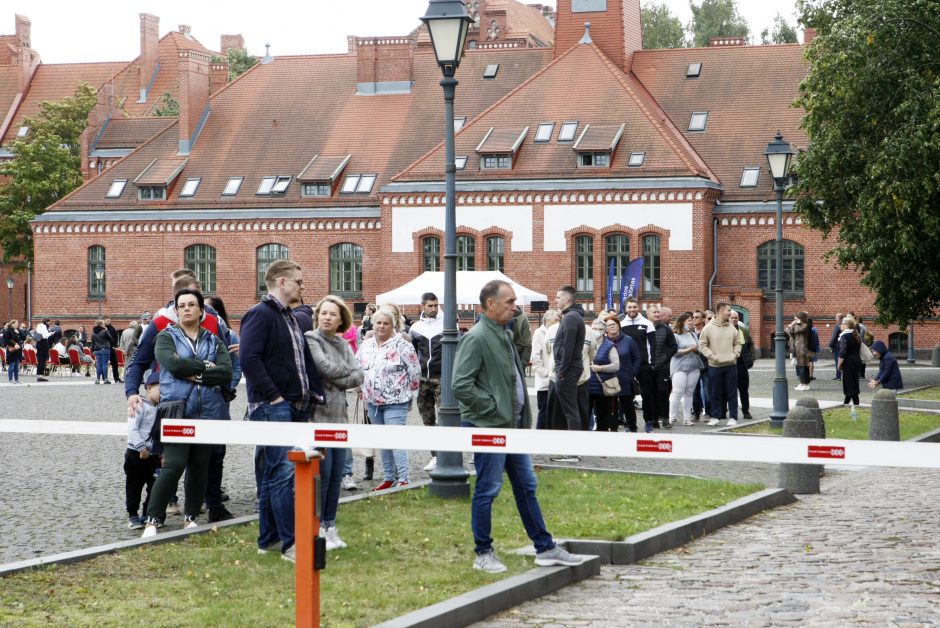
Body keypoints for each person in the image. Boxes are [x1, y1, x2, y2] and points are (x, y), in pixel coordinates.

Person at [452, 279, 584, 574]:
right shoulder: (476, 338)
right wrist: (493, 410)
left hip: (513, 429)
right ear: (490, 304)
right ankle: (483, 552)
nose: (516, 307)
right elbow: (460, 385)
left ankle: (545, 548)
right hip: (491, 428)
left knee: (527, 486)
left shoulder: (504, 334)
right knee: (488, 488)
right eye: (510, 302)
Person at [241, 259, 325, 562]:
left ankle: (269, 539)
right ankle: (291, 544)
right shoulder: (260, 314)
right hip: (273, 406)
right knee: (281, 475)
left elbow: (298, 361)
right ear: (281, 282)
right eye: (298, 281)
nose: (302, 287)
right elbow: (249, 360)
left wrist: (310, 394)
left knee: (272, 475)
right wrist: (275, 397)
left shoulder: (290, 317)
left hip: (294, 405)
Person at [141, 288, 233, 537]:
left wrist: (194, 373)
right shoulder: (166, 337)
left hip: (208, 411)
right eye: (182, 305)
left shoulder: (213, 339)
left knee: (200, 465)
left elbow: (226, 370)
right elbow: (172, 364)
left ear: (201, 310)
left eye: (192, 304)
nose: (187, 309)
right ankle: (152, 518)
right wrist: (205, 367)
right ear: (177, 311)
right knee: (174, 464)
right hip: (177, 410)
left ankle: (190, 516)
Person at [304, 295, 364, 549]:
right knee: (323, 476)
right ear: (317, 316)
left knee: (337, 473)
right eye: (324, 313)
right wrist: (345, 375)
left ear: (341, 320)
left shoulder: (342, 343)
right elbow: (323, 368)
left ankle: (331, 525)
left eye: (333, 314)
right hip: (319, 415)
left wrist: (342, 376)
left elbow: (359, 374)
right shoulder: (311, 338)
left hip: (340, 416)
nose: (327, 317)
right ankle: (316, 526)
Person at [358, 307, 421, 491]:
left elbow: (415, 371)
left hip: (396, 401)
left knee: (395, 439)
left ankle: (403, 477)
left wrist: (409, 393)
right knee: (382, 440)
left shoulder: (402, 345)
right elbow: (358, 366)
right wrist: (359, 387)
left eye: (386, 323)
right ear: (373, 324)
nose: (381, 326)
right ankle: (388, 477)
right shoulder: (367, 345)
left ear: (393, 325)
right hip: (372, 402)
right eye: (378, 323)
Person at [203, 295, 242, 523]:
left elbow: (235, 367)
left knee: (217, 453)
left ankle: (213, 501)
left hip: (218, 401)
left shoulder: (228, 335)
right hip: (196, 402)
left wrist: (227, 388)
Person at [410, 292, 443, 473]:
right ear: (422, 306)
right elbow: (412, 353)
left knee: (445, 416)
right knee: (427, 418)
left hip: (441, 378)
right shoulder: (415, 327)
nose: (433, 309)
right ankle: (435, 455)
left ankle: (444, 454)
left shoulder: (446, 324)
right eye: (430, 306)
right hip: (423, 378)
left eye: (436, 305)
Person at [125, 370, 162, 530]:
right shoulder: (139, 406)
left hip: (154, 455)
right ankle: (133, 515)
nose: (163, 393)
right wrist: (141, 447)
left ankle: (149, 513)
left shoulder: (161, 409)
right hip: (136, 454)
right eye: (160, 389)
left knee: (155, 486)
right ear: (149, 388)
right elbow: (133, 429)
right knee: (134, 485)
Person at [591, 316, 640, 431]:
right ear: (605, 329)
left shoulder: (628, 340)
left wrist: (632, 373)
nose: (612, 326)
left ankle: (632, 428)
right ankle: (613, 429)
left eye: (614, 323)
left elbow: (637, 358)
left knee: (628, 405)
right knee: (611, 407)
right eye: (609, 324)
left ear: (619, 325)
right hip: (609, 379)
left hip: (625, 378)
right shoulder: (602, 342)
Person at [548, 285, 585, 434]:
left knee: (570, 410)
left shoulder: (570, 318)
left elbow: (568, 347)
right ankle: (571, 448)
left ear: (567, 299)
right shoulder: (573, 316)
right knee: (571, 409)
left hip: (567, 370)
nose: (556, 300)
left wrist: (562, 371)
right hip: (570, 368)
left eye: (558, 297)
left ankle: (572, 451)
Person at [699, 303, 742, 427]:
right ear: (721, 311)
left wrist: (735, 354)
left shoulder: (732, 328)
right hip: (714, 365)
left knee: (732, 392)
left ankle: (733, 417)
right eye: (728, 310)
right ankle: (715, 416)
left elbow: (738, 342)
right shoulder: (708, 328)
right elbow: (702, 345)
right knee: (715, 392)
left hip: (731, 364)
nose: (730, 312)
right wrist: (712, 356)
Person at [621, 298, 657, 432]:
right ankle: (631, 424)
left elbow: (653, 345)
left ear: (639, 307)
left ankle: (648, 422)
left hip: (644, 365)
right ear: (625, 309)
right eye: (629, 307)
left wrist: (652, 363)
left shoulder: (647, 324)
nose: (632, 310)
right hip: (626, 366)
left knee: (647, 395)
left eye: (634, 307)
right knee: (627, 396)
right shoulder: (621, 324)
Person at [670, 313, 703, 427]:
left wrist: (696, 350)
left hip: (693, 366)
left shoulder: (693, 335)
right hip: (679, 366)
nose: (691, 322)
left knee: (689, 393)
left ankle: (687, 418)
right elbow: (674, 352)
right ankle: (672, 417)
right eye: (689, 320)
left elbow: (699, 349)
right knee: (677, 392)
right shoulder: (674, 335)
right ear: (682, 322)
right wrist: (689, 349)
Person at [531, 310, 560, 430]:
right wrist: (547, 373)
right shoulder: (539, 333)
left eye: (559, 320)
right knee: (544, 412)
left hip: (557, 380)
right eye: (556, 320)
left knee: (556, 414)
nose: (558, 323)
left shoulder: (558, 332)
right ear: (547, 320)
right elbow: (536, 359)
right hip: (545, 382)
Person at [652, 307, 677, 428]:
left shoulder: (666, 329)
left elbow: (673, 346)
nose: (656, 315)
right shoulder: (645, 328)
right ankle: (654, 419)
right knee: (651, 393)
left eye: (658, 312)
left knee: (663, 392)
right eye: (654, 312)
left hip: (663, 367)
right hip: (649, 367)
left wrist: (665, 358)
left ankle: (665, 418)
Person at [837, 317, 863, 418]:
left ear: (847, 325)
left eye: (842, 323)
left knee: (850, 383)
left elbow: (842, 352)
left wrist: (839, 364)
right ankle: (846, 403)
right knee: (850, 382)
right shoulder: (855, 335)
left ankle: (856, 404)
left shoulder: (845, 336)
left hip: (848, 362)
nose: (841, 324)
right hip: (856, 361)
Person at [787, 311, 815, 391]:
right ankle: (803, 383)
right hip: (798, 347)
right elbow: (788, 331)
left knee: (803, 367)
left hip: (802, 348)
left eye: (797, 318)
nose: (795, 320)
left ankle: (804, 383)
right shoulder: (799, 325)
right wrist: (793, 324)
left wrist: (793, 324)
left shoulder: (805, 325)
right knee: (801, 367)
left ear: (800, 319)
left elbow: (795, 331)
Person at [91, 319, 112, 384]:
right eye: (103, 324)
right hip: (105, 349)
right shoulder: (104, 331)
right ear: (100, 324)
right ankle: (105, 379)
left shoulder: (93, 333)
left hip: (97, 350)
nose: (104, 325)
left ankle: (97, 379)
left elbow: (92, 343)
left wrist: (93, 351)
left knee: (99, 365)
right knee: (105, 364)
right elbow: (110, 339)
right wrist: (107, 330)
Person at [33, 318, 52, 382]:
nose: (49, 323)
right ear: (46, 322)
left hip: (38, 343)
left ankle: (39, 373)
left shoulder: (39, 325)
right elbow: (45, 335)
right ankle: (40, 374)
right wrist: (51, 333)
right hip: (43, 343)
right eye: (49, 322)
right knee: (43, 360)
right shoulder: (44, 326)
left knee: (40, 359)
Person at [104, 317, 122, 383]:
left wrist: (115, 345)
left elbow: (116, 337)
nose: (108, 322)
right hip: (105, 348)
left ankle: (116, 378)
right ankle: (104, 378)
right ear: (104, 321)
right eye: (107, 321)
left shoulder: (112, 328)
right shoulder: (102, 328)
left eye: (109, 321)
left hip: (111, 348)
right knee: (104, 364)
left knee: (115, 364)